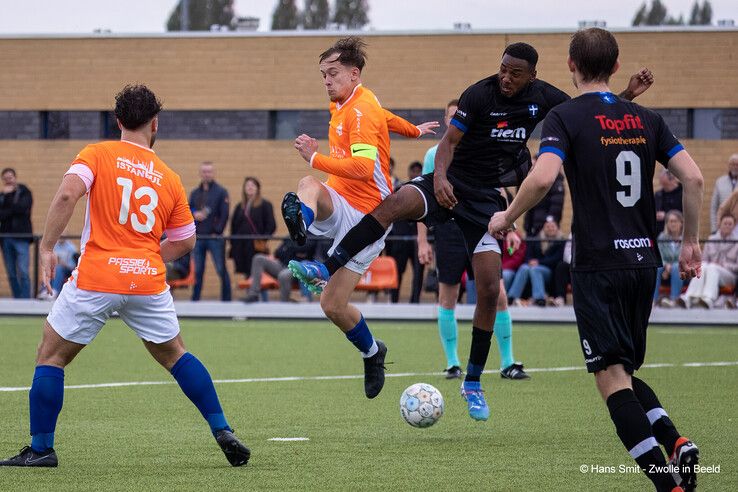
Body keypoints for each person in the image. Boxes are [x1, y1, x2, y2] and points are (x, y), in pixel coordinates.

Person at [289, 42, 652, 420]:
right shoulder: (479, 93)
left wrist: (625, 95)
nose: (505, 77)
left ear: (532, 76)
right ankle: (326, 267)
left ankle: (473, 381)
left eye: (515, 73)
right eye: (502, 69)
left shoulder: (544, 98)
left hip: (485, 200)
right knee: (393, 204)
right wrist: (440, 177)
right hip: (447, 183)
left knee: (490, 289)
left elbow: (585, 114)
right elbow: (447, 143)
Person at [488, 28, 703, 491]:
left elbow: (544, 178)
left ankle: (668, 484)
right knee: (622, 370)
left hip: (598, 264)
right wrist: (691, 242)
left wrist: (506, 216)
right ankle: (676, 441)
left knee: (609, 377)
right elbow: (694, 178)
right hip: (644, 262)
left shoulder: (563, 117)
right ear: (616, 65)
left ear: (569, 64)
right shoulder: (647, 118)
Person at [0, 85, 249, 468]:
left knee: (50, 356)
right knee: (177, 355)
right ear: (155, 123)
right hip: (147, 282)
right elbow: (185, 241)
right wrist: (145, 256)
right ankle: (222, 428)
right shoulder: (169, 177)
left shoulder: (97, 154)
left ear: (118, 121)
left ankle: (41, 447)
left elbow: (67, 195)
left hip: (97, 277)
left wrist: (48, 248)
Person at [279, 37, 439, 399]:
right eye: (323, 74)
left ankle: (372, 352)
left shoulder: (359, 110)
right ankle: (301, 224)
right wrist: (413, 130)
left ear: (354, 74)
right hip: (338, 198)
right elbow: (385, 116)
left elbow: (365, 169)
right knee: (308, 186)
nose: (326, 81)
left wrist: (314, 158)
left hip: (367, 217)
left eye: (333, 74)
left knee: (331, 305)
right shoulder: (350, 100)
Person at [419, 99, 529, 380]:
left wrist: (512, 226)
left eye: (461, 116)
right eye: (452, 116)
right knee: (448, 296)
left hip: (483, 226)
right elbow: (423, 200)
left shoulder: (483, 150)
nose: (457, 121)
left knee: (498, 294)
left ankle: (507, 362)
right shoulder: (435, 154)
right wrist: (422, 242)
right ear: (447, 120)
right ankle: (453, 363)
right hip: (450, 231)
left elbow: (499, 192)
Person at [190, 161, 231, 301]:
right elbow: (187, 210)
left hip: (215, 238)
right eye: (204, 172)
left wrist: (217, 231)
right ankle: (195, 301)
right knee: (198, 271)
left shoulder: (221, 192)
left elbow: (224, 214)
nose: (207, 174)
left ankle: (227, 300)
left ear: (213, 173)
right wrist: (194, 214)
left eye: (209, 171)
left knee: (221, 269)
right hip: (198, 237)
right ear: (200, 174)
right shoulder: (195, 193)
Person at [677, 214, 737, 309]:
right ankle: (689, 297)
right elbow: (703, 260)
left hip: (729, 275)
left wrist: (723, 265)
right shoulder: (711, 239)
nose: (727, 226)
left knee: (712, 267)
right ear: (719, 224)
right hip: (710, 271)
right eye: (725, 223)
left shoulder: (736, 242)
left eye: (730, 224)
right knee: (703, 266)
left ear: (734, 226)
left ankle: (708, 298)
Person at [385, 161, 424, 303]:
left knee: (418, 273)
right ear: (409, 173)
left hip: (417, 240)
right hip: (400, 240)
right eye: (413, 171)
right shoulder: (400, 189)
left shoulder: (425, 193)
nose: (415, 174)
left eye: (418, 171)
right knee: (397, 273)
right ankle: (394, 301)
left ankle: (415, 302)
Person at [242, 235, 321, 303]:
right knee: (258, 258)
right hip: (283, 264)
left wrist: (290, 248)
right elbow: (277, 252)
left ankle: (284, 304)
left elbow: (305, 249)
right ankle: (253, 295)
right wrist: (292, 249)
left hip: (297, 267)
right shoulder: (291, 235)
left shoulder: (312, 235)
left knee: (283, 275)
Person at [507, 216, 565, 307]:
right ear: (544, 228)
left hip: (549, 271)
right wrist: (530, 261)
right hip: (533, 267)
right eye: (547, 226)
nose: (550, 228)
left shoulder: (561, 241)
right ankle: (512, 297)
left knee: (535, 269)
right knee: (524, 267)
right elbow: (528, 255)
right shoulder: (537, 239)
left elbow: (557, 259)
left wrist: (539, 262)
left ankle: (539, 298)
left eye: (552, 226)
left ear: (557, 228)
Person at [230, 176, 276, 277]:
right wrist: (233, 243)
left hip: (256, 246)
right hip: (241, 246)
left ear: (257, 188)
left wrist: (263, 239)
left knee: (260, 273)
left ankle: (260, 293)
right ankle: (250, 293)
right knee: (247, 273)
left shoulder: (265, 205)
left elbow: (271, 225)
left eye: (252, 185)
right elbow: (233, 226)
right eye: (247, 185)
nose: (250, 188)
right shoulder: (240, 206)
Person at [0, 168, 33, 298]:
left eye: (10, 177)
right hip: (5, 238)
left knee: (24, 271)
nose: (8, 180)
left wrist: (8, 200)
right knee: (11, 272)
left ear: (15, 177)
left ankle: (26, 300)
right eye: (6, 178)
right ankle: (17, 299)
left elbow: (22, 208)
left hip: (21, 237)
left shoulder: (25, 192)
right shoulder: (2, 196)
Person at [523, 156, 565, 237]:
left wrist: (549, 221)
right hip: (533, 226)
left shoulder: (555, 182)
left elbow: (556, 204)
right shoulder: (534, 181)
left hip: (544, 229)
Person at [654, 210, 686, 307]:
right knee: (657, 267)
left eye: (675, 221)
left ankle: (673, 300)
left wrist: (670, 267)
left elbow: (685, 259)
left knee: (677, 267)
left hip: (682, 271)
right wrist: (666, 265)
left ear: (681, 223)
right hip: (664, 270)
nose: (672, 224)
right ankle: (652, 301)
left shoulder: (686, 238)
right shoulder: (662, 237)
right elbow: (658, 255)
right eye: (670, 221)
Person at [709, 154, 738, 231]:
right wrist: (714, 229)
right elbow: (714, 207)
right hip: (723, 226)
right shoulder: (720, 182)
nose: (735, 167)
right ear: (729, 166)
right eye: (733, 164)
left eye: (737, 164)